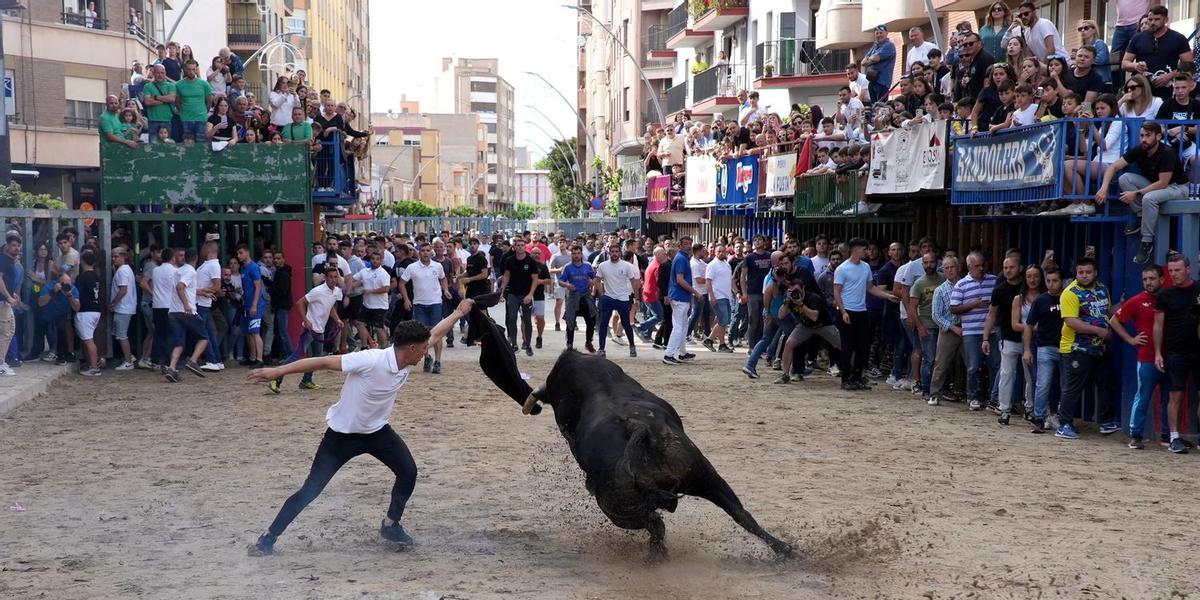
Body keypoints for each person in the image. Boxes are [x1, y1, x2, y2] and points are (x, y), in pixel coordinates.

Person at [246, 299, 476, 556]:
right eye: (423, 349)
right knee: (310, 490)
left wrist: (459, 312)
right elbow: (321, 362)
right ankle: (268, 538)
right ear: (411, 348)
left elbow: (436, 333)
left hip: (377, 432)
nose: (426, 352)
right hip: (342, 436)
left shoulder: (408, 355)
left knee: (408, 471)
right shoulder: (371, 360)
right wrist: (278, 371)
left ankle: (391, 525)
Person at [1095, 121, 1188, 265]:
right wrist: (1104, 187)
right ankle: (1141, 216)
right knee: (1124, 178)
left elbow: (1163, 183)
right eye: (1141, 135)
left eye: (1148, 135)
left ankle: (1146, 242)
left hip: (1177, 188)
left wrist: (1136, 193)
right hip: (1157, 187)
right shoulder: (1140, 149)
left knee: (1148, 198)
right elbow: (1114, 167)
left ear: (1158, 136)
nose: (1144, 139)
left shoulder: (1167, 152)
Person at [1054, 257, 1117, 440]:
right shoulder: (1070, 292)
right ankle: (1064, 424)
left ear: (1095, 272)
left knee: (1106, 382)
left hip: (1100, 348)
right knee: (1073, 388)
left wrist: (1121, 305)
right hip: (1076, 348)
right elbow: (1071, 321)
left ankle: (1106, 421)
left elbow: (1107, 312)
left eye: (1088, 272)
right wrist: (1098, 331)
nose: (1084, 275)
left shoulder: (1102, 289)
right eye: (1080, 272)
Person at [1110, 264, 1169, 448]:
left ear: (1161, 279)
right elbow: (1114, 321)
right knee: (1143, 396)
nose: (1148, 282)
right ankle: (1136, 435)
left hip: (1170, 356)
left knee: (1170, 397)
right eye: (1145, 279)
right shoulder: (1137, 301)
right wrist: (1131, 339)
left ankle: (1168, 436)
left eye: (1152, 278)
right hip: (1146, 357)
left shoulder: (1169, 298)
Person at [267, 264, 345, 393]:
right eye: (330, 277)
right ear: (325, 278)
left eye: (335, 277)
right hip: (309, 329)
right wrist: (306, 320)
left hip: (320, 330)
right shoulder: (317, 291)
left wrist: (337, 320)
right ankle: (276, 379)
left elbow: (330, 306)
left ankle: (306, 380)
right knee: (297, 355)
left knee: (316, 359)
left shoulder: (336, 292)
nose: (333, 279)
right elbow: (300, 303)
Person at [834, 239, 898, 390]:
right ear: (855, 250)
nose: (867, 252)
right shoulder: (842, 269)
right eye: (865, 249)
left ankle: (857, 377)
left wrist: (887, 296)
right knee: (848, 346)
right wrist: (843, 311)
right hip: (847, 311)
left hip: (862, 311)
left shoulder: (865, 267)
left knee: (862, 346)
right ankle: (846, 378)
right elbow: (836, 292)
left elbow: (870, 287)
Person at [1153, 255, 1200, 454]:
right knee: (1176, 395)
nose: (1173, 274)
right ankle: (1174, 437)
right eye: (1171, 271)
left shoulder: (1198, 290)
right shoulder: (1165, 295)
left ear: (1188, 269)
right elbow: (1158, 325)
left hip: (1198, 351)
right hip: (1175, 351)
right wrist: (1158, 353)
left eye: (1177, 270)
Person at [949, 252, 998, 411]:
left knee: (995, 365)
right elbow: (954, 308)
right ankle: (973, 397)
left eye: (982, 265)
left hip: (992, 331)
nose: (981, 268)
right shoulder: (961, 284)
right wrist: (973, 305)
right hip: (971, 331)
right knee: (973, 366)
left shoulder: (994, 281)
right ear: (969, 267)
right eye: (977, 266)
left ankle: (994, 398)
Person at [981, 256, 1024, 424]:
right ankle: (1004, 409)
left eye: (1011, 267)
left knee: (1031, 376)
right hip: (1008, 336)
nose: (1008, 270)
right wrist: (985, 338)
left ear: (1020, 268)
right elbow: (991, 315)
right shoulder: (999, 290)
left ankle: (1031, 408)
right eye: (1005, 268)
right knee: (1006, 374)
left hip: (1029, 338)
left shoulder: (1027, 287)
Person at [1121, 5, 1194, 100]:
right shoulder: (1138, 38)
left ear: (1166, 20)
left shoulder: (1178, 38)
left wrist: (1169, 76)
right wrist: (1135, 66)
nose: (1152, 23)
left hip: (1166, 90)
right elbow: (1124, 63)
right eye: (1150, 19)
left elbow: (1188, 66)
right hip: (1141, 89)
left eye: (1156, 19)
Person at [398, 244, 450, 373]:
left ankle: (438, 361)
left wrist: (446, 290)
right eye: (423, 250)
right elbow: (402, 283)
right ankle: (427, 357)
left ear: (431, 252)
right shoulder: (412, 267)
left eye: (427, 250)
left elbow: (443, 278)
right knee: (422, 334)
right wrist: (406, 299)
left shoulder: (437, 266)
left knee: (437, 333)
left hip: (435, 303)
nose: (425, 253)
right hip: (419, 304)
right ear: (419, 252)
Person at [497, 239, 539, 357]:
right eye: (518, 245)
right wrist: (501, 292)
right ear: (514, 247)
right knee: (512, 319)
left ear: (525, 247)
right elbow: (506, 276)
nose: (520, 247)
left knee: (527, 320)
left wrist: (530, 295)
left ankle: (528, 344)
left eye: (522, 245)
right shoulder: (510, 260)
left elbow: (535, 279)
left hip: (526, 294)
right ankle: (514, 344)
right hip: (513, 294)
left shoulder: (530, 261)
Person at [664, 236, 701, 366]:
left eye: (690, 243)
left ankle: (682, 353)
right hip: (679, 297)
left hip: (681, 297)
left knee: (683, 326)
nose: (689, 246)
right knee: (679, 327)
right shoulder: (681, 258)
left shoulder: (682, 258)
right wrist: (695, 291)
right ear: (680, 245)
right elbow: (680, 280)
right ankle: (669, 354)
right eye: (685, 244)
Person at [558, 245, 597, 352]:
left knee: (591, 320)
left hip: (586, 296)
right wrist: (567, 285)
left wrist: (592, 282)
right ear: (571, 255)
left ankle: (588, 342)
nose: (576, 255)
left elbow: (595, 277)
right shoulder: (567, 267)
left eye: (578, 253)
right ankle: (569, 344)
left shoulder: (588, 266)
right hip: (573, 296)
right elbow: (560, 281)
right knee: (570, 321)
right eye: (574, 253)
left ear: (581, 254)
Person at [109, 248, 138, 370]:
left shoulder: (122, 271)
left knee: (122, 335)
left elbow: (123, 290)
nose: (113, 259)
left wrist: (113, 303)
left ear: (123, 256)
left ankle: (128, 361)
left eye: (116, 256)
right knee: (120, 334)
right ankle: (129, 356)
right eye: (113, 256)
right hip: (125, 307)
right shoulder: (125, 270)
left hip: (123, 307)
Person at [237, 244, 265, 368]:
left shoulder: (253, 267)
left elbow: (258, 287)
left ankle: (260, 359)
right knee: (249, 332)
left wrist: (254, 305)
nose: (239, 256)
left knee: (255, 332)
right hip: (247, 304)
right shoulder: (244, 268)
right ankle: (253, 357)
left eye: (241, 253)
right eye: (238, 253)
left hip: (255, 305)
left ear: (247, 252)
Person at [0, 234, 22, 376]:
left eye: (18, 246)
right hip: (2, 302)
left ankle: (2, 361)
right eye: (13, 245)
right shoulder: (3, 259)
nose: (16, 248)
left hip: (7, 301)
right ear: (7, 246)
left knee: (10, 330)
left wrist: (12, 294)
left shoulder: (9, 261)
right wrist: (8, 296)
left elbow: (6, 281)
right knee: (5, 332)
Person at [861, 25, 897, 104]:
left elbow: (875, 58)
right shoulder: (875, 46)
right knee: (873, 107)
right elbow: (863, 62)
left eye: (881, 33)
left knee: (880, 106)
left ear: (886, 33)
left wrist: (870, 60)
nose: (879, 35)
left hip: (882, 82)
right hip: (872, 81)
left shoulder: (889, 45)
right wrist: (872, 59)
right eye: (877, 33)